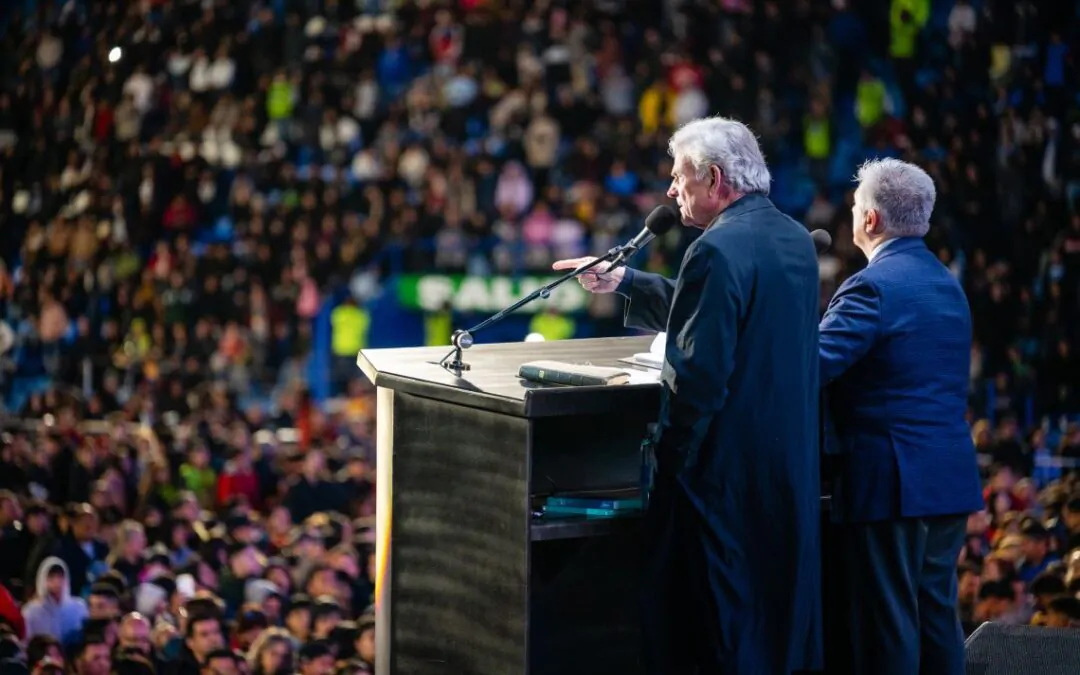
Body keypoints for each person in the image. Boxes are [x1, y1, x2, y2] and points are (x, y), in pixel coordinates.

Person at [553, 116, 822, 674]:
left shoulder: (715, 250)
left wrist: (669, 464)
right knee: (769, 627)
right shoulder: (794, 239)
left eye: (680, 178)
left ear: (715, 178)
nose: (672, 191)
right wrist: (625, 280)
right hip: (784, 472)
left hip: (721, 480)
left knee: (715, 632)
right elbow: (716, 311)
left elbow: (699, 377)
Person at [818, 158, 984, 675]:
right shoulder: (946, 283)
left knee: (888, 624)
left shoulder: (873, 286)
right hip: (947, 477)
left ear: (869, 220)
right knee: (936, 619)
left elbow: (811, 366)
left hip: (891, 483)